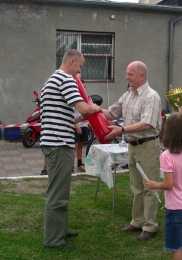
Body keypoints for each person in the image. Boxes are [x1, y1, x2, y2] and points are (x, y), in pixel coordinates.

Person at [40, 49, 100, 249]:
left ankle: (59, 230)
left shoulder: (51, 80)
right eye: (80, 67)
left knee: (60, 190)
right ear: (72, 62)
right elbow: (84, 107)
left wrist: (82, 117)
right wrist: (95, 109)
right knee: (58, 194)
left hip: (53, 142)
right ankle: (53, 240)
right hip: (59, 144)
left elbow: (67, 115)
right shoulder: (66, 80)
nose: (79, 72)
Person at [102, 61, 162, 241]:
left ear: (142, 76)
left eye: (130, 74)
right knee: (136, 187)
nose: (126, 77)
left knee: (149, 187)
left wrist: (121, 130)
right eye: (127, 74)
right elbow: (111, 113)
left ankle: (150, 226)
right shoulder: (128, 95)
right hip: (132, 146)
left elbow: (147, 123)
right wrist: (92, 109)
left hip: (147, 146)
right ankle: (137, 221)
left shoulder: (151, 96)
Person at [146, 112, 182, 260]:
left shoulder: (166, 156)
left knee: (175, 246)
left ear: (168, 132)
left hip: (176, 207)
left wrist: (155, 184)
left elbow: (169, 184)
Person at [74, 79, 89, 172]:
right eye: (82, 87)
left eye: (85, 88)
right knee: (73, 146)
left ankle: (79, 164)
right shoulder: (74, 98)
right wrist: (76, 125)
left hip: (84, 125)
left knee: (80, 145)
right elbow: (70, 113)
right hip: (76, 125)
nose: (84, 89)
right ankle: (70, 166)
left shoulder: (85, 97)